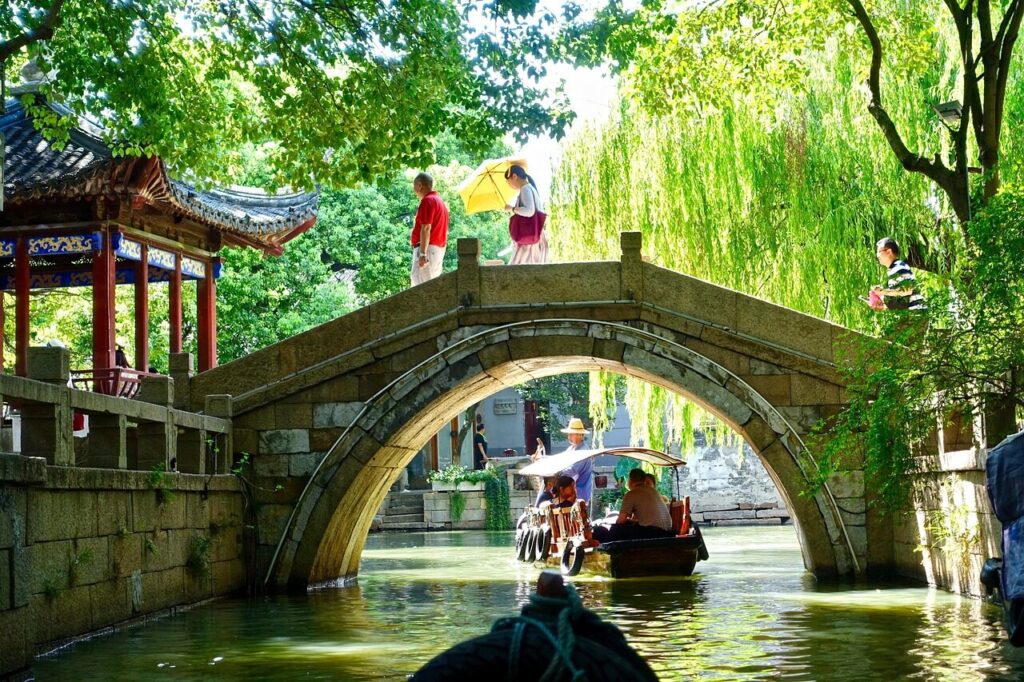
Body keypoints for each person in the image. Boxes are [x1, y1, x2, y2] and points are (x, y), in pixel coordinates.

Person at [592, 468, 674, 543]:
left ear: (630, 481)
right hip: (667, 531)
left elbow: (621, 521)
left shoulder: (631, 494)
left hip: (652, 533)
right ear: (644, 480)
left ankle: (606, 548)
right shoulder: (654, 491)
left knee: (616, 529)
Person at [410, 172, 450, 286]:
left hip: (427, 250)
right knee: (431, 286)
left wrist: (422, 253)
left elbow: (426, 227)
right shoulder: (440, 202)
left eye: (414, 187)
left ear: (419, 185)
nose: (414, 190)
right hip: (437, 250)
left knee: (420, 287)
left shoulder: (428, 201)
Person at [504, 165, 549, 265]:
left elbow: (529, 211)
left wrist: (511, 208)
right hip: (536, 236)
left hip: (529, 238)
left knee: (516, 271)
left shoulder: (525, 188)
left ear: (514, 176)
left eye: (508, 181)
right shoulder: (531, 188)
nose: (509, 185)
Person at [869, 238, 927, 311]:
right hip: (911, 314)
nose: (877, 255)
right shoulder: (892, 269)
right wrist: (881, 302)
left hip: (916, 312)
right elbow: (900, 299)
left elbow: (907, 290)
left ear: (889, 251)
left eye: (879, 251)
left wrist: (881, 291)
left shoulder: (899, 266)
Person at [559, 417, 593, 508]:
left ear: (579, 435)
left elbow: (571, 471)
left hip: (580, 496)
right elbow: (560, 459)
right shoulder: (571, 449)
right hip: (571, 495)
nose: (568, 436)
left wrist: (557, 473)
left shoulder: (583, 451)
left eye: (571, 434)